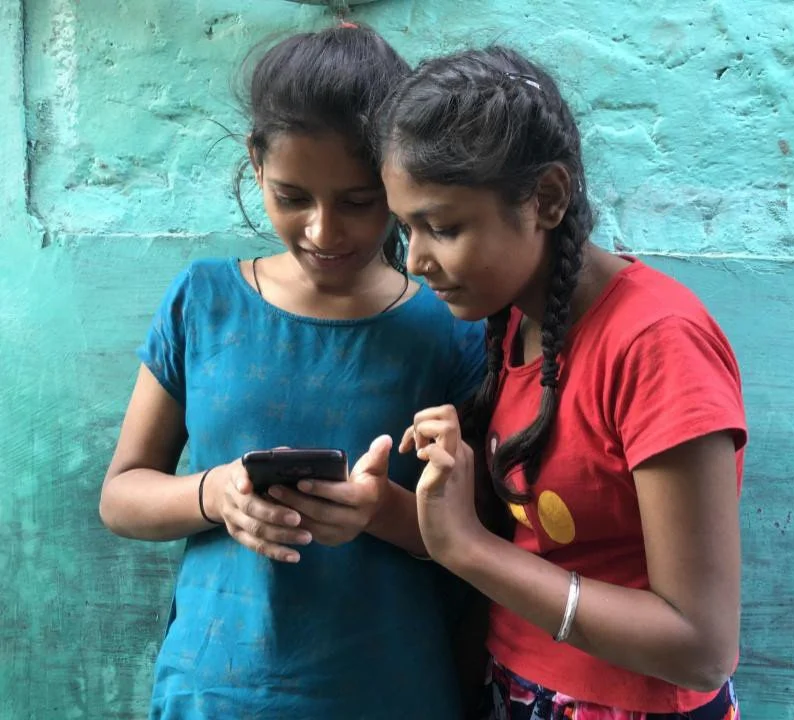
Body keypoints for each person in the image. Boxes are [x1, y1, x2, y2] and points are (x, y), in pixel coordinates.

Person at [99, 25, 487, 719]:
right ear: (255, 163)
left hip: (389, 691)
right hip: (215, 690)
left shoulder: (447, 328)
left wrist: (383, 512)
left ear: (397, 178)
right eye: (292, 196)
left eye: (359, 202)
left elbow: (486, 542)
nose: (323, 231)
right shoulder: (203, 301)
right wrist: (216, 493)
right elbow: (121, 496)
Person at [380, 46, 747, 720]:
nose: (418, 260)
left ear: (546, 197)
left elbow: (701, 647)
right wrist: (388, 510)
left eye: (443, 226)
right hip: (516, 686)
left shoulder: (656, 344)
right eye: (405, 228)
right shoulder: (510, 322)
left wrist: (470, 550)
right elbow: (530, 544)